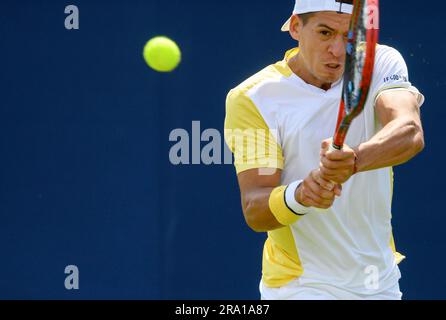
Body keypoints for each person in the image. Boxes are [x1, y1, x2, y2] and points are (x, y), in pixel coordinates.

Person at [224, 0, 425, 300]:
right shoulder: (253, 98)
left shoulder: (380, 61)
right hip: (300, 287)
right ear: (295, 27)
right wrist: (301, 195)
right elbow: (255, 207)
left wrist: (355, 160)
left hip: (378, 283)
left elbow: (409, 131)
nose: (337, 49)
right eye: (325, 33)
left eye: (348, 37)